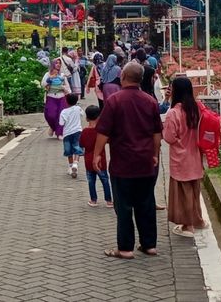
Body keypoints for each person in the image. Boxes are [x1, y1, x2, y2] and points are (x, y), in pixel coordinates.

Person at [94, 62, 162, 259]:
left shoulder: (114, 101)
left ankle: (125, 248)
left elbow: (104, 132)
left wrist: (97, 154)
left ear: (122, 76)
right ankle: (149, 245)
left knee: (123, 207)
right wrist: (155, 154)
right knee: (146, 204)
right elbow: (157, 133)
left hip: (122, 163)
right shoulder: (150, 101)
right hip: (146, 162)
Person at [163, 77, 206, 238]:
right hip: (195, 155)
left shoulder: (174, 113)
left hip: (180, 158)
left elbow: (168, 137)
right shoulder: (197, 109)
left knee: (184, 192)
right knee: (194, 190)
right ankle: (199, 220)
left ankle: (188, 226)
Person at [80, 105, 112, 208]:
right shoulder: (101, 131)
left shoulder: (85, 132)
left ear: (87, 118)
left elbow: (81, 144)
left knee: (91, 181)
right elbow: (108, 141)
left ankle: (93, 200)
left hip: (88, 161)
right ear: (99, 116)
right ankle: (109, 200)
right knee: (105, 180)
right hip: (100, 160)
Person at [41, 59, 70, 138]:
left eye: (59, 63)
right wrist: (50, 79)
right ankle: (53, 127)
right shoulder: (47, 74)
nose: (58, 65)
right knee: (50, 115)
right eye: (56, 63)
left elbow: (67, 87)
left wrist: (63, 88)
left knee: (62, 116)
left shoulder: (62, 75)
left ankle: (59, 133)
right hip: (51, 97)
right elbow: (43, 84)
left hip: (61, 97)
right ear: (53, 64)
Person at [59, 93, 84, 178]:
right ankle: (75, 163)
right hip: (77, 131)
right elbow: (82, 114)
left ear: (66, 101)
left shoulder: (64, 112)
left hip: (67, 133)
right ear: (76, 101)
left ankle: (70, 166)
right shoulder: (78, 108)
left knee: (69, 150)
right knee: (77, 147)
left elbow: (61, 123)